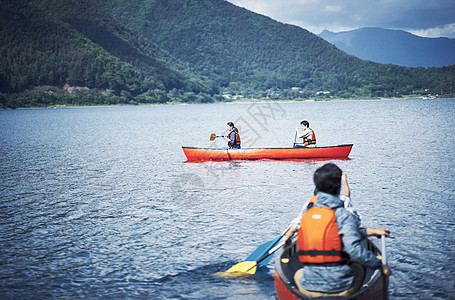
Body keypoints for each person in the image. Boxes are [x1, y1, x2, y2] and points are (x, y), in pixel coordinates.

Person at [282, 163, 391, 297]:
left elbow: (297, 229)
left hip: (309, 288)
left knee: (298, 271)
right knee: (362, 266)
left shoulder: (308, 212)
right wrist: (380, 265)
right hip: (340, 288)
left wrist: (286, 238)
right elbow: (354, 250)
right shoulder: (343, 215)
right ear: (338, 187)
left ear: (317, 186)